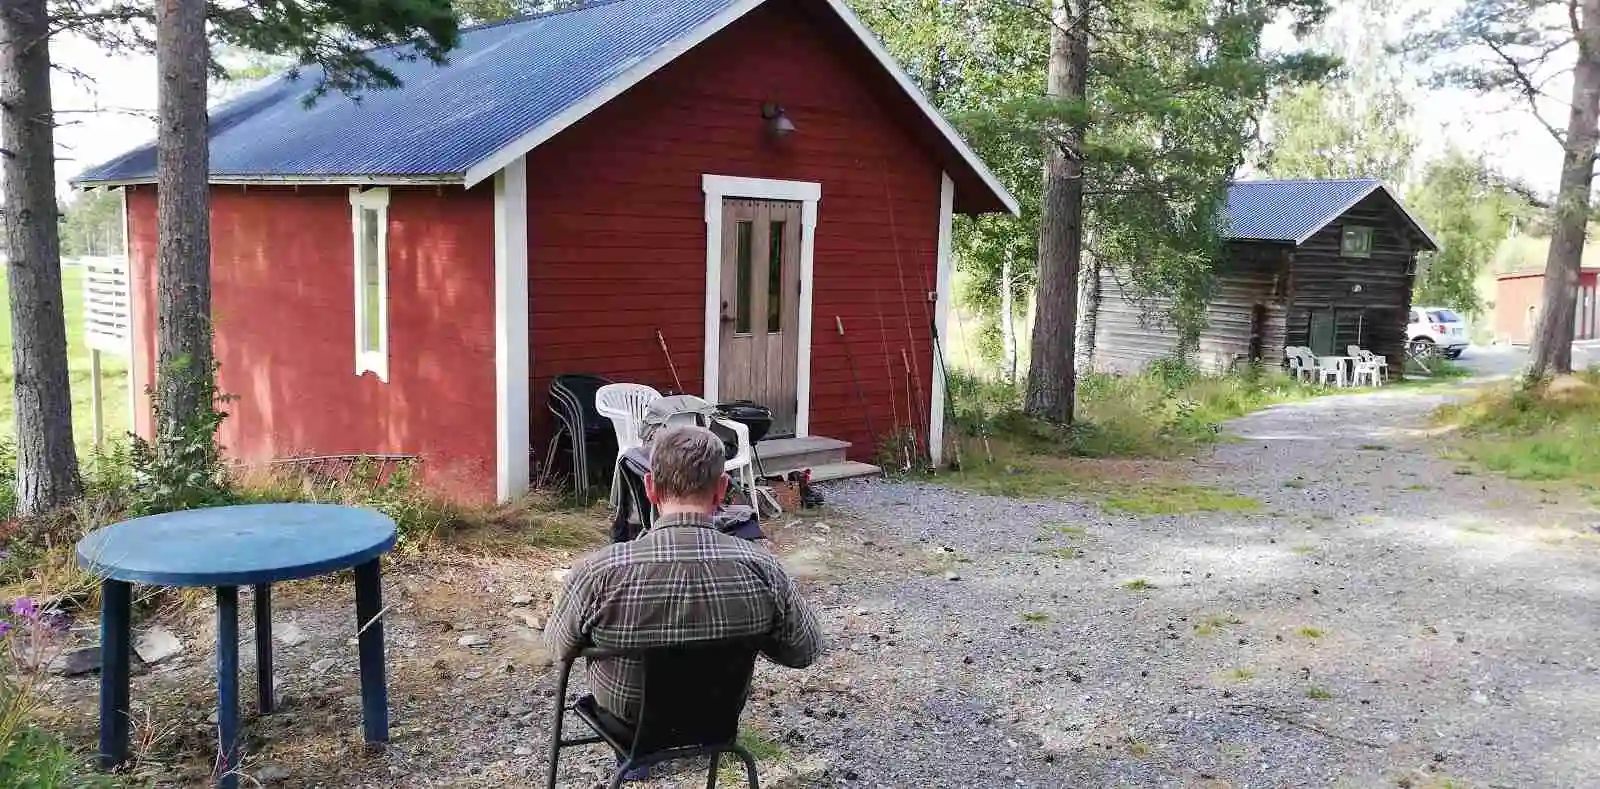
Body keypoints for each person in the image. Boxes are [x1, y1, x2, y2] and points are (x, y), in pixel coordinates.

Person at [546, 425, 825, 779]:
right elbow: (804, 652)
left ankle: (636, 762)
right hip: (716, 721)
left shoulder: (600, 571)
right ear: (722, 489)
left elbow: (558, 647)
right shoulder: (763, 568)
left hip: (630, 722)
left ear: (649, 488)